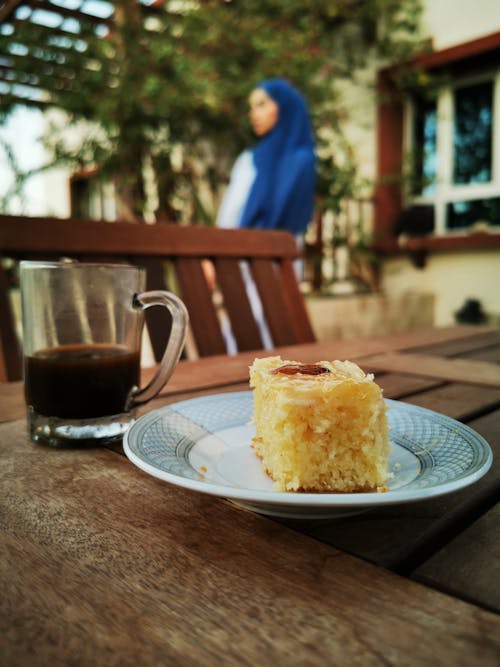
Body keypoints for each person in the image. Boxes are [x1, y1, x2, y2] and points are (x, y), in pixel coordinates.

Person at [215, 77, 316, 353]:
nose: (253, 114)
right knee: (256, 330)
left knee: (260, 330)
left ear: (284, 107)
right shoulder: (260, 159)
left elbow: (229, 219)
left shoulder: (292, 160)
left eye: (261, 104)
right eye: (251, 107)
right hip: (250, 260)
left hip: (271, 260)